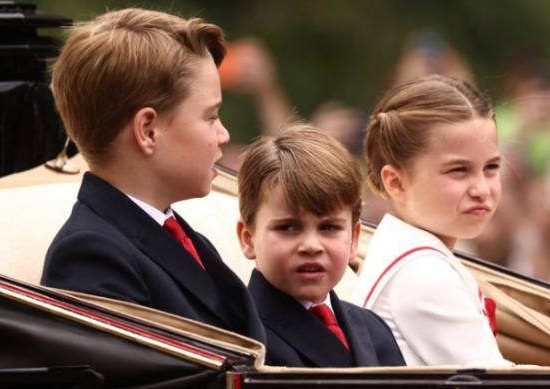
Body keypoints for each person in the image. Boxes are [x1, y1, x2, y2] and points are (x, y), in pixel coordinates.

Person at [41, 8, 265, 342]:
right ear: (148, 131)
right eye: (211, 116)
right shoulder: (91, 257)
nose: (223, 134)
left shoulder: (180, 236)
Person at [350, 75, 508, 366]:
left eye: (491, 167)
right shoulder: (422, 272)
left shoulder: (407, 253)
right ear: (396, 183)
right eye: (458, 170)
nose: (481, 189)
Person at [236, 124, 405, 367]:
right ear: (248, 238)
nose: (311, 246)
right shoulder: (242, 338)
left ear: (354, 239)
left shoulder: (373, 329)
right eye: (288, 228)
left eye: (329, 228)